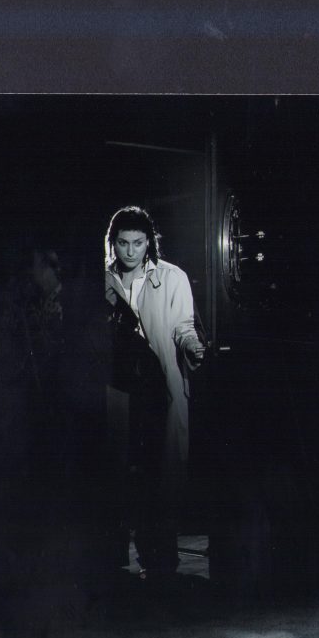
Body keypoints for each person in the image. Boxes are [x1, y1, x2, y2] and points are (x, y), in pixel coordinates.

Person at [103, 205, 205, 579]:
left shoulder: (171, 278)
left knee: (158, 476)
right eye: (123, 243)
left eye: (138, 243)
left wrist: (192, 345)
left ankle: (160, 563)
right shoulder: (103, 279)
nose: (130, 251)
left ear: (150, 242)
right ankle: (115, 564)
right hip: (117, 391)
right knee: (118, 474)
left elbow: (183, 324)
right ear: (112, 243)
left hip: (156, 391)